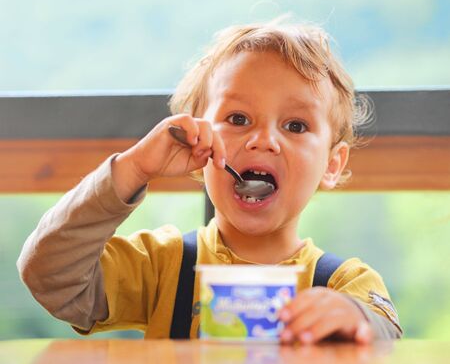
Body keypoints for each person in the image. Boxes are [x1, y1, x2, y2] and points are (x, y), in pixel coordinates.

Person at [17, 18, 402, 343]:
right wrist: (133, 169)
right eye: (237, 119)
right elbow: (50, 274)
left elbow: (387, 336)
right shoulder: (161, 266)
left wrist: (353, 318)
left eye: (295, 125)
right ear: (199, 148)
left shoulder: (344, 283)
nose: (263, 140)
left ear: (332, 165)